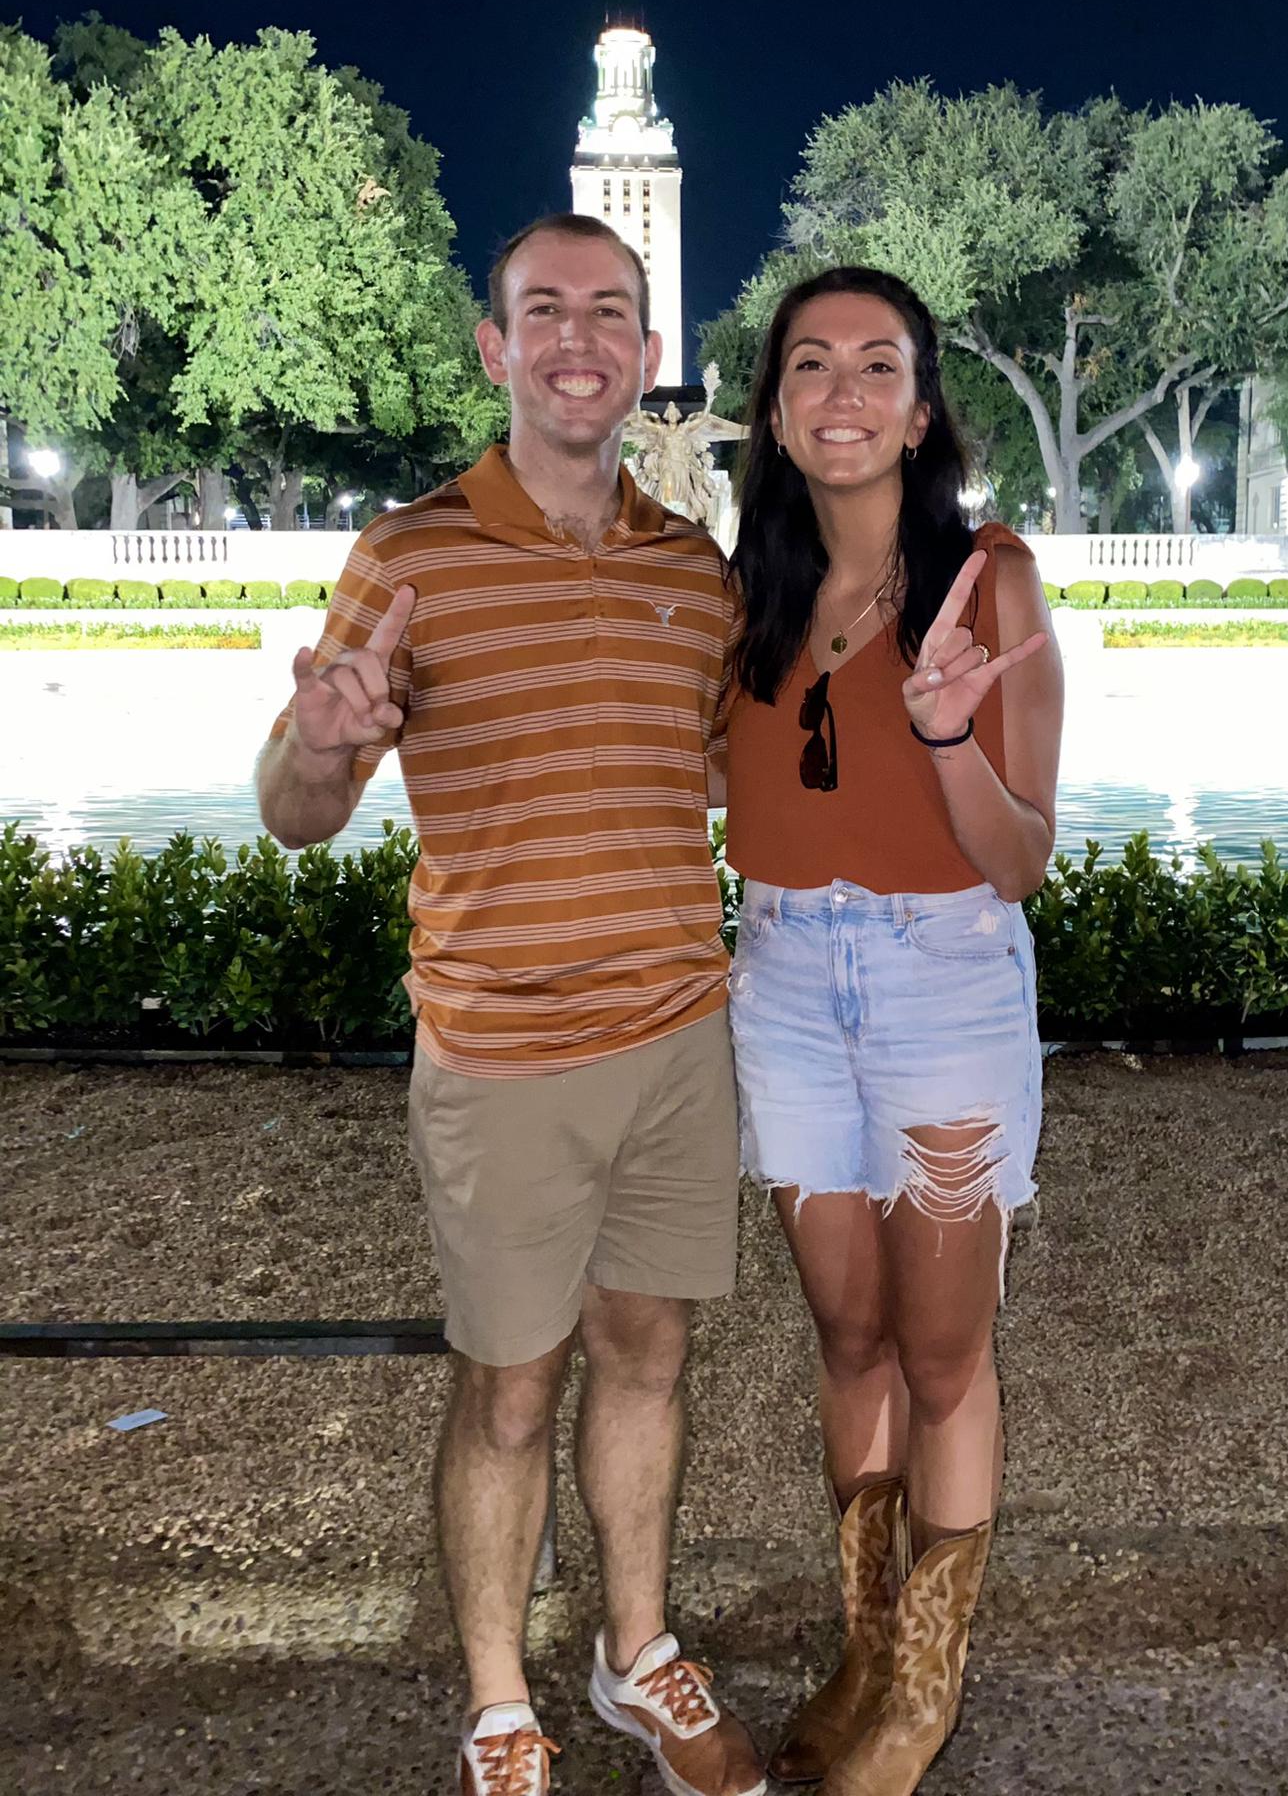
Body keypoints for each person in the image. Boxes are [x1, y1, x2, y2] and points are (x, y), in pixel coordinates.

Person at [257, 213, 765, 1796]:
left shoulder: (696, 574)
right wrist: (328, 738)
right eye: (542, 311)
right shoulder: (409, 556)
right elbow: (292, 810)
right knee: (508, 1385)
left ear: (648, 355)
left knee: (647, 1355)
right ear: (494, 348)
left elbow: (724, 781)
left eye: (608, 313)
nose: (576, 340)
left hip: (681, 1035)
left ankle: (634, 1653)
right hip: (503, 1051)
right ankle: (496, 1700)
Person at [725, 265, 1063, 1795]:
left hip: (941, 974)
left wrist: (941, 732)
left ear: (921, 411)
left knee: (941, 1353)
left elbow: (1019, 858)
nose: (843, 391)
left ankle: (922, 1693)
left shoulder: (992, 584)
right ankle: (865, 1647)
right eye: (811, 364)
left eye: (877, 366)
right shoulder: (747, 597)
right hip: (786, 981)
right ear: (778, 413)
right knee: (845, 1331)